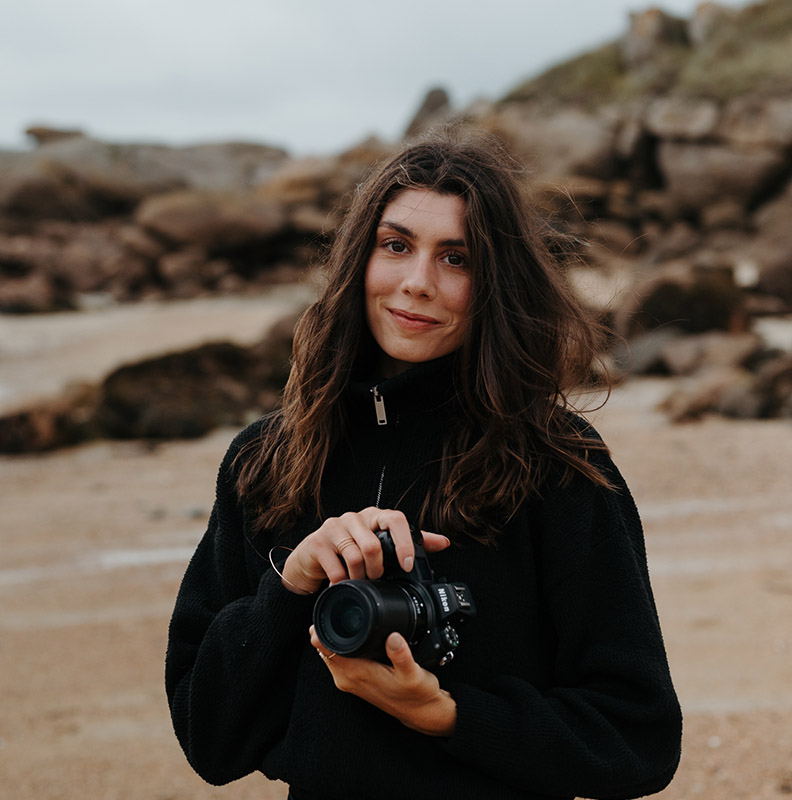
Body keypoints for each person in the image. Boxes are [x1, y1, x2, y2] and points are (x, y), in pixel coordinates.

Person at [165, 131, 682, 800]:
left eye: (457, 258)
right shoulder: (268, 460)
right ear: (360, 256)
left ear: (496, 281)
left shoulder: (558, 465)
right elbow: (209, 741)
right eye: (397, 245)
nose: (418, 283)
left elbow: (637, 738)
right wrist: (289, 585)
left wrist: (445, 716)